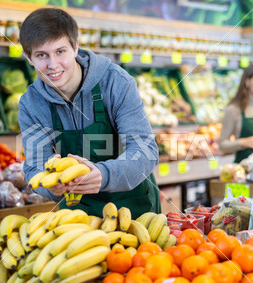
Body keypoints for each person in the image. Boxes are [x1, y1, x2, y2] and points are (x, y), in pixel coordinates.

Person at [18, 8, 161, 218]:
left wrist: (104, 175)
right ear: (29, 58)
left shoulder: (115, 82)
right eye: (42, 55)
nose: (53, 65)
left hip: (134, 210)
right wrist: (51, 187)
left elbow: (146, 151)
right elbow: (34, 168)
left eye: (60, 51)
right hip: (79, 217)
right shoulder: (31, 104)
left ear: (75, 47)